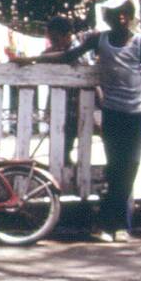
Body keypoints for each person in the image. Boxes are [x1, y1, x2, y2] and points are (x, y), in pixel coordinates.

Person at [15, 0, 141, 242]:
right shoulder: (99, 39)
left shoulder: (140, 43)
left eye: (120, 14)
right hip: (113, 111)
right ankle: (116, 225)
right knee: (115, 169)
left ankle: (112, 223)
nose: (115, 18)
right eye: (111, 14)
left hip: (137, 112)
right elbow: (68, 56)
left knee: (130, 167)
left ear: (127, 17)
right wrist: (31, 59)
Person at [44, 15, 79, 168]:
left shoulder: (77, 49)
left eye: (56, 39)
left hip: (76, 103)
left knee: (69, 141)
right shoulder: (51, 51)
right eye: (52, 40)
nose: (54, 43)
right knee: (57, 141)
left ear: (68, 35)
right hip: (58, 101)